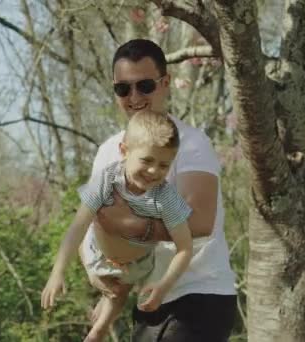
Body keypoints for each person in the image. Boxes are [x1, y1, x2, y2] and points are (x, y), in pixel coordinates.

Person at [80, 39, 237, 341]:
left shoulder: (191, 143)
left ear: (165, 83)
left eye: (145, 86)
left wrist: (131, 226)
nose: (134, 96)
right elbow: (94, 224)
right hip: (151, 298)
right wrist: (99, 276)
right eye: (123, 89)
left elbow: (201, 220)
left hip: (199, 295)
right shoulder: (107, 152)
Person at [41, 110, 194, 342]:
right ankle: (101, 302)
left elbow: (185, 247)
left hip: (135, 264)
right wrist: (57, 273)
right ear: (124, 151)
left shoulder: (165, 196)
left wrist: (163, 286)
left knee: (119, 291)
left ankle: (99, 331)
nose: (154, 171)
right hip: (95, 251)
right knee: (88, 237)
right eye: (147, 160)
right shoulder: (107, 180)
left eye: (164, 165)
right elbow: (77, 227)